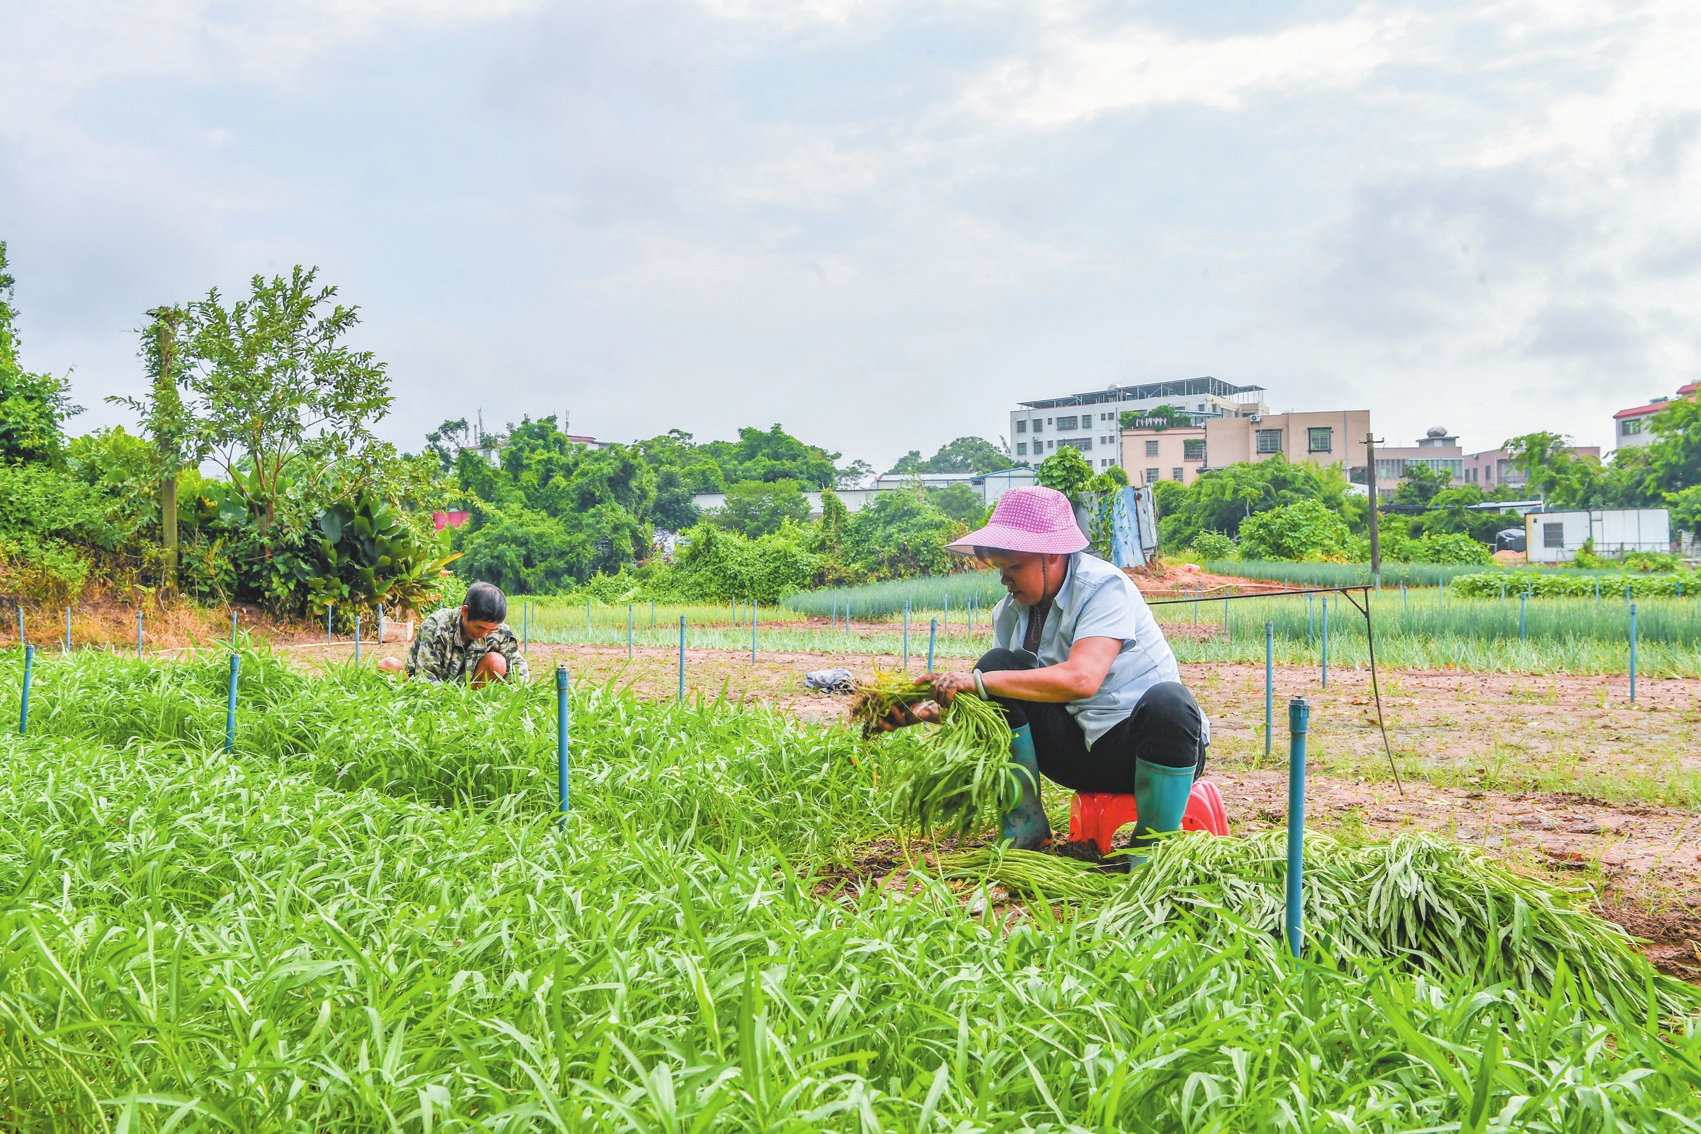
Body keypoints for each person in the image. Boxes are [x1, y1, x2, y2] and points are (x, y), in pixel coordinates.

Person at [883, 485, 1206, 857]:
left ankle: (1151, 852)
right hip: (1078, 756)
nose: (1005, 580)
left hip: (1147, 750)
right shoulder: (1009, 613)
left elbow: (1082, 679)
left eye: (1014, 567)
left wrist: (974, 682)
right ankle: (1027, 836)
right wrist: (920, 712)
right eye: (1000, 570)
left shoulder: (1103, 588)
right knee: (996, 665)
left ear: (1051, 554)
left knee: (1171, 701)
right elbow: (1002, 697)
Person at [377, 581, 530, 686]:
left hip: (470, 693)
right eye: (480, 627)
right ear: (465, 612)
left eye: (491, 629)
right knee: (388, 664)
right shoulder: (436, 626)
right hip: (428, 690)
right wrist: (450, 701)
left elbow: (517, 667)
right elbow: (425, 676)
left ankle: (472, 708)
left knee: (497, 661)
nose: (485, 634)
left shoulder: (500, 631)